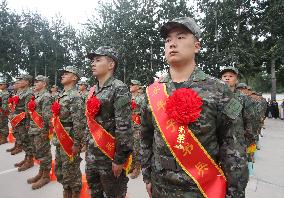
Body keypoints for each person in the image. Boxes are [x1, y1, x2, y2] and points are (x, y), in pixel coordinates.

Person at [140, 17, 245, 198]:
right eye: (168, 40)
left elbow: (233, 147)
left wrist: (235, 192)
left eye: (180, 37)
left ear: (196, 46)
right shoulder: (152, 91)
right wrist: (147, 176)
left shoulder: (218, 90)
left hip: (201, 189)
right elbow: (146, 137)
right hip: (160, 186)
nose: (172, 44)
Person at [85, 46, 133, 198]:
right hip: (92, 154)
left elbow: (124, 126)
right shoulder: (93, 90)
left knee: (114, 194)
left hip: (109, 156)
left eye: (98, 60)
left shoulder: (119, 88)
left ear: (111, 64)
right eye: (92, 61)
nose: (93, 63)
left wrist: (119, 159)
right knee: (95, 192)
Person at [51, 66, 85, 198]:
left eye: (66, 73)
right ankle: (66, 189)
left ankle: (75, 191)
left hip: (69, 138)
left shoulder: (75, 96)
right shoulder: (61, 95)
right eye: (62, 73)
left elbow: (79, 122)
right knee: (60, 168)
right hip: (60, 135)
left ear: (74, 77)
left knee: (71, 168)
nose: (62, 75)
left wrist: (77, 143)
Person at [26, 75, 52, 189]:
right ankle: (41, 173)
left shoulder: (46, 96)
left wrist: (45, 132)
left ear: (44, 84)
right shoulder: (37, 96)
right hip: (34, 129)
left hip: (41, 130)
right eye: (35, 81)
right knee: (39, 153)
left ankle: (46, 176)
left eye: (38, 81)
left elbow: (47, 117)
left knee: (44, 154)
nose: (35, 83)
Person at [11, 74, 34, 171]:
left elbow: (28, 110)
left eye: (22, 80)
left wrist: (28, 123)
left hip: (23, 121)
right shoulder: (20, 92)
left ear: (27, 82)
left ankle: (29, 160)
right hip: (18, 120)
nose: (19, 81)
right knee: (21, 140)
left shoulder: (28, 93)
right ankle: (26, 158)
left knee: (26, 140)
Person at [129, 79, 144, 179]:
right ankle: (132, 163)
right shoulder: (128, 96)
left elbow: (144, 111)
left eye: (133, 84)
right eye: (130, 84)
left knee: (137, 146)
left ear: (138, 87)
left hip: (138, 125)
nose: (130, 86)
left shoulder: (142, 97)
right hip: (129, 124)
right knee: (130, 145)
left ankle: (137, 167)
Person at [0, 78, 10, 145]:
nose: (0, 86)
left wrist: (3, 113)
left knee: (4, 125)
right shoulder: (1, 93)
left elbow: (5, 104)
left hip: (3, 111)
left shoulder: (5, 94)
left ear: (5, 85)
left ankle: (4, 139)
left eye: (1, 84)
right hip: (1, 110)